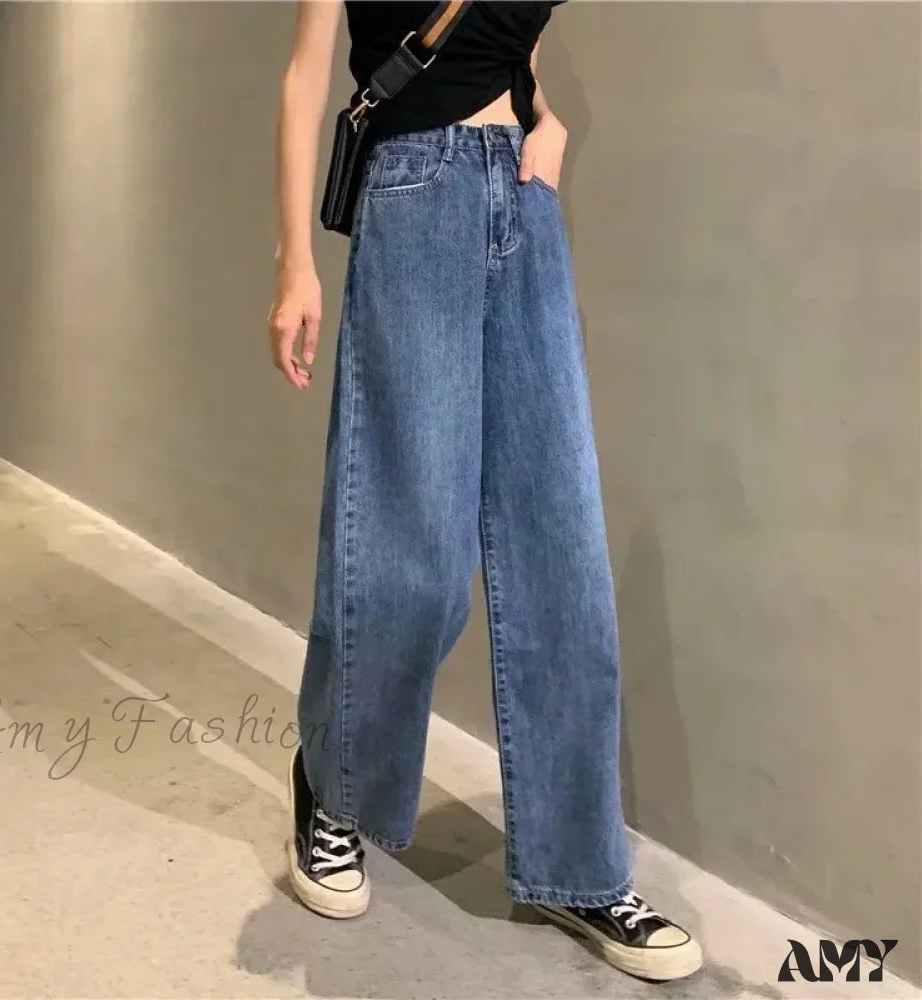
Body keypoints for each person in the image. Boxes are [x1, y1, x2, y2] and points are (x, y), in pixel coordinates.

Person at [269, 0, 702, 982]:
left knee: (562, 553)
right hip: (413, 193)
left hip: (525, 205)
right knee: (411, 551)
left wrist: (548, 120)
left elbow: (518, 47)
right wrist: (295, 261)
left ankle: (577, 865)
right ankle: (333, 784)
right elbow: (305, 74)